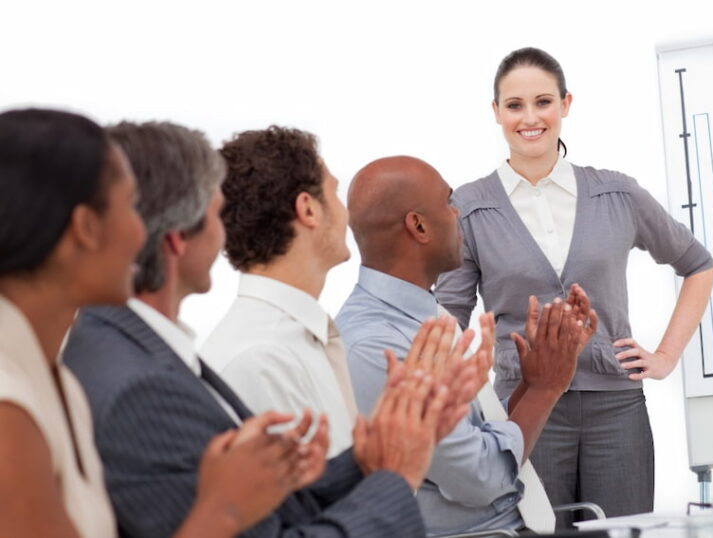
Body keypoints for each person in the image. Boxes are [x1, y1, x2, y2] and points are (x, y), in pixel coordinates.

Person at [62, 121, 460, 537]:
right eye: (216, 212)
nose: (226, 230)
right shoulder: (146, 384)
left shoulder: (140, 348)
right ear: (180, 236)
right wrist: (396, 477)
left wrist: (375, 450)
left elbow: (266, 511)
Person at [0, 108, 322, 537]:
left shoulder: (52, 376)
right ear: (85, 228)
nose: (143, 233)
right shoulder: (11, 407)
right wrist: (221, 509)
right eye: (130, 209)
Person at [435, 47, 713, 527]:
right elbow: (447, 318)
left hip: (617, 408)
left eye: (543, 102)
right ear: (496, 113)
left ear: (566, 104)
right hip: (525, 411)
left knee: (624, 530)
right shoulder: (468, 207)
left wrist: (667, 356)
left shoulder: (617, 193)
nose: (530, 118)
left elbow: (698, 264)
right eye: (515, 105)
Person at [337, 155, 598, 536]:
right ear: (419, 226)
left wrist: (537, 375)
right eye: (448, 202)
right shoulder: (377, 346)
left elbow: (471, 437)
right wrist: (545, 389)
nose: (459, 214)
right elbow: (483, 476)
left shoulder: (421, 313)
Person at [202, 126, 361, 457]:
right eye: (334, 192)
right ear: (308, 209)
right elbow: (317, 506)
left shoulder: (293, 339)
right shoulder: (261, 359)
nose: (346, 212)